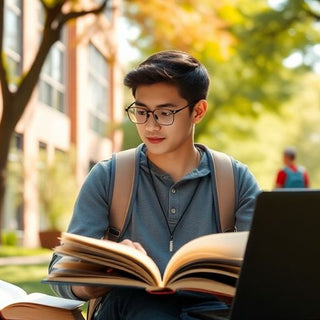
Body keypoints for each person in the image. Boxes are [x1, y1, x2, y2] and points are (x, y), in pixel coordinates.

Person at [48, 50, 260, 320]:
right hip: (131, 307)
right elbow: (59, 271)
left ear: (198, 111)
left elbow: (264, 270)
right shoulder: (108, 176)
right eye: (141, 111)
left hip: (211, 308)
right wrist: (96, 277)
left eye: (165, 112)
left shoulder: (235, 180)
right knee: (147, 308)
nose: (150, 125)